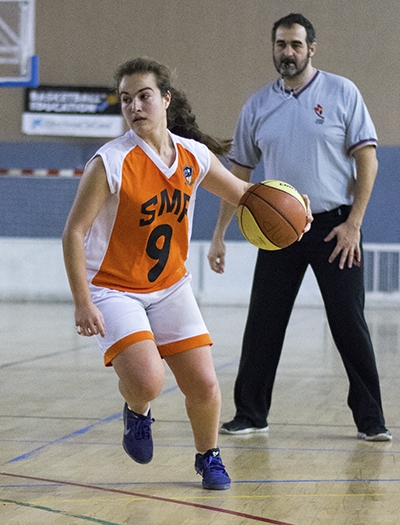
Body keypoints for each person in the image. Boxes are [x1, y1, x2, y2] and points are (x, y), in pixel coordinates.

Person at [62, 57, 312, 490]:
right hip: (114, 288)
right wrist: (83, 301)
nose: (135, 106)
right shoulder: (111, 161)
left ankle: (208, 457)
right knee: (147, 380)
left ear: (165, 99)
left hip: (169, 286)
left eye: (143, 96)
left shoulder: (193, 156)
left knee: (203, 382)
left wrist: (293, 208)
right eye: (126, 100)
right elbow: (73, 232)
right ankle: (137, 411)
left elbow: (247, 195)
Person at [208, 13, 392, 442]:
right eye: (280, 44)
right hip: (278, 230)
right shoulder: (257, 104)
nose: (287, 52)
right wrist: (219, 234)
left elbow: (369, 160)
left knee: (349, 322)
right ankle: (251, 414)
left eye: (295, 44)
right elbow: (239, 174)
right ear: (273, 48)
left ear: (312, 48)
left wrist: (354, 225)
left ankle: (371, 421)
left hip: (334, 228)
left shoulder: (342, 92)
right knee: (264, 323)